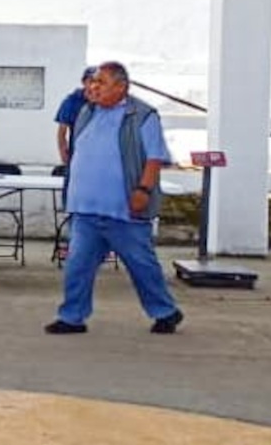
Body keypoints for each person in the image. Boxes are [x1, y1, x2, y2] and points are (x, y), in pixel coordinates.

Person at [45, 62, 184, 336]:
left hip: (124, 211)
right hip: (85, 209)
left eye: (101, 82)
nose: (93, 87)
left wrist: (143, 190)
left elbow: (155, 157)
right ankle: (72, 317)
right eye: (93, 81)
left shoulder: (142, 115)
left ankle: (165, 311)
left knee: (141, 264)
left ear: (122, 87)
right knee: (77, 266)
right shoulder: (87, 111)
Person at [55, 66, 98, 166]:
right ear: (84, 82)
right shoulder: (71, 101)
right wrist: (63, 153)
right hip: (77, 155)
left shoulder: (106, 102)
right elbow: (62, 132)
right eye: (90, 81)